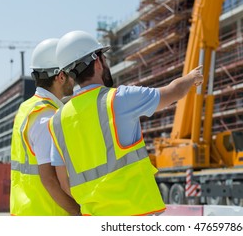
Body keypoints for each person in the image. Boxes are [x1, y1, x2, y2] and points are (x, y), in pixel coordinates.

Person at [48, 30, 203, 216]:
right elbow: (173, 92)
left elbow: (63, 181)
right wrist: (192, 77)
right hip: (135, 215)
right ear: (98, 61)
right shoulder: (118, 99)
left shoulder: (57, 120)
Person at [10, 38, 80, 216]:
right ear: (61, 76)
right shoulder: (47, 116)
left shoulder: (27, 108)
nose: (74, 79)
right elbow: (49, 179)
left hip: (27, 210)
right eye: (71, 74)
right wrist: (78, 213)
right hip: (48, 214)